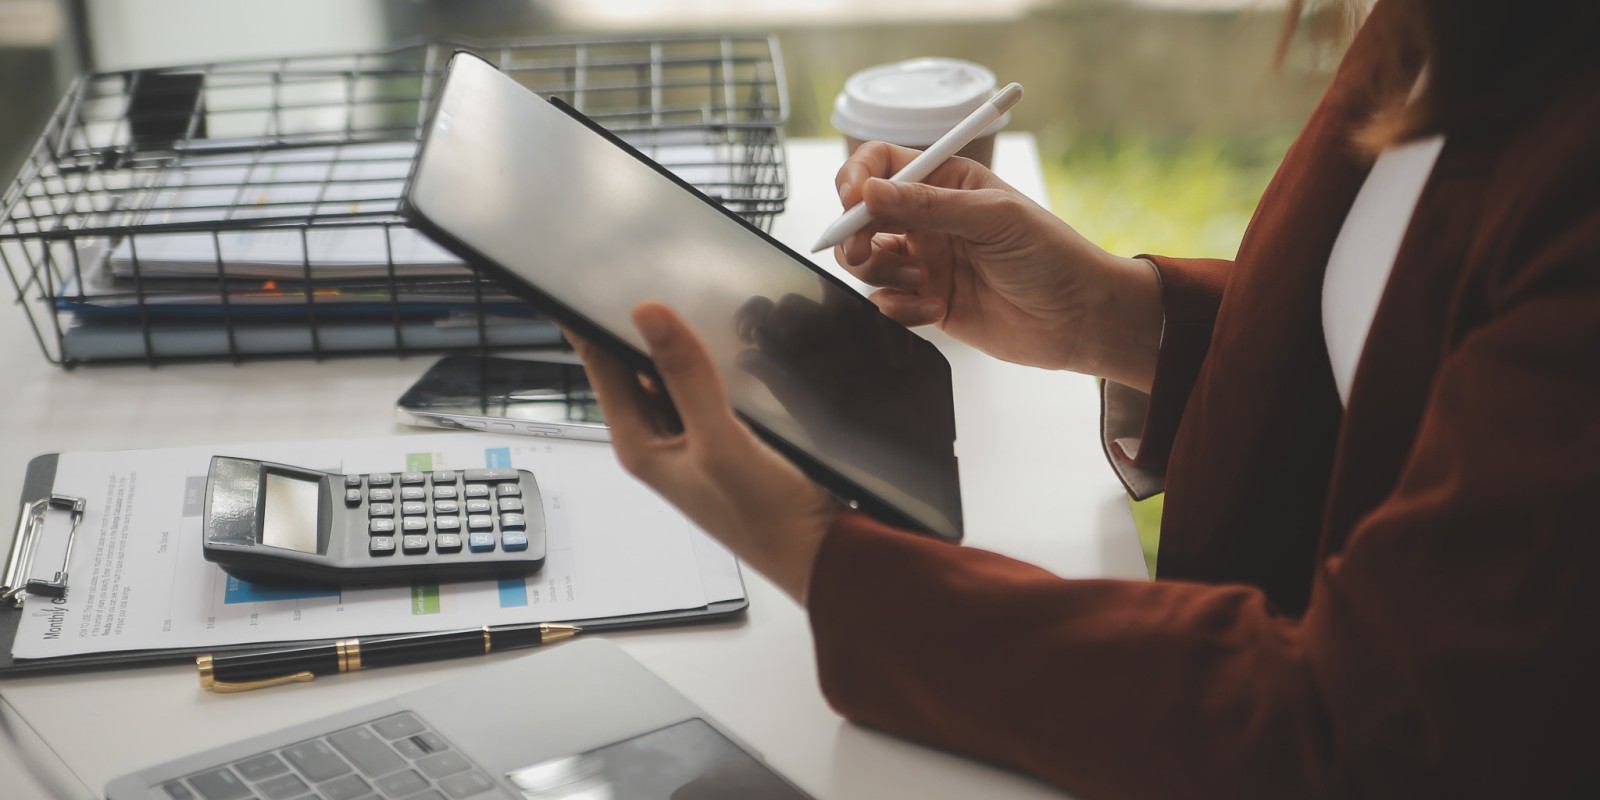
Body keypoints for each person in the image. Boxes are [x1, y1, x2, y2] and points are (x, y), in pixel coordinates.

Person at [567, 0, 1600, 796]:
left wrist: (820, 553)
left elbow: (1359, 733)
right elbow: (1411, 353)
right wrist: (1116, 315)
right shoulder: (1462, 28)